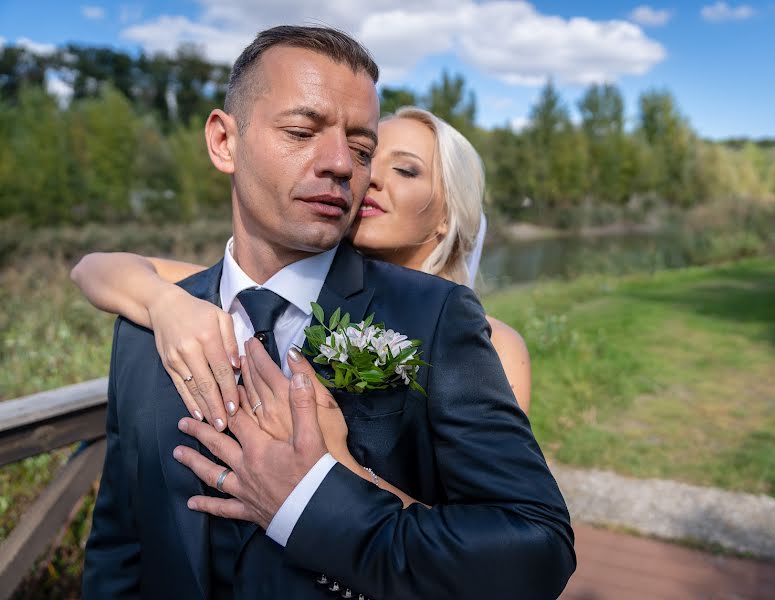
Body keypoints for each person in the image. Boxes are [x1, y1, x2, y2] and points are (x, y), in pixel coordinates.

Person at [79, 25, 575, 600]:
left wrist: (313, 496)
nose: (344, 165)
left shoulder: (438, 319)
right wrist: (161, 303)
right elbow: (119, 544)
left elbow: (535, 550)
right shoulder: (149, 323)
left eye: (362, 149)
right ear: (224, 142)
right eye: (300, 131)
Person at [72, 108, 531, 421]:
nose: (367, 179)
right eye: (365, 157)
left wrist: (330, 472)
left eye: (406, 170)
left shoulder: (491, 346)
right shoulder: (290, 292)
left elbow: (486, 528)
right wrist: (164, 304)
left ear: (449, 213)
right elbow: (95, 268)